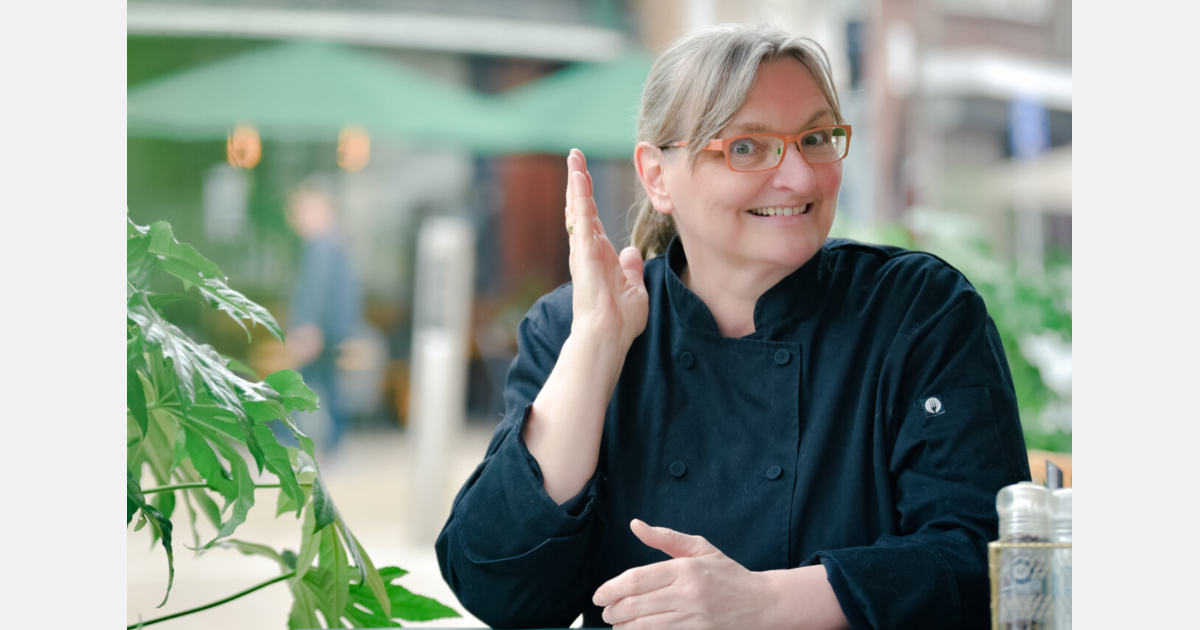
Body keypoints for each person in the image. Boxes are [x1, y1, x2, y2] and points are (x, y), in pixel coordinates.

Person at [436, 23, 1030, 630]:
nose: (800, 178)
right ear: (657, 176)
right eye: (746, 147)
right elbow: (496, 585)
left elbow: (986, 560)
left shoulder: (916, 311)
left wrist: (764, 604)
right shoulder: (572, 327)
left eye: (817, 138)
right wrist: (596, 343)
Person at [281, 176, 364, 454]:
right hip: (331, 331)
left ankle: (291, 443)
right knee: (327, 387)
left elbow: (316, 290)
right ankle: (332, 447)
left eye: (300, 209)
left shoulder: (322, 245)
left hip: (318, 333)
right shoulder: (336, 242)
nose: (295, 217)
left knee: (293, 387)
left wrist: (308, 328)